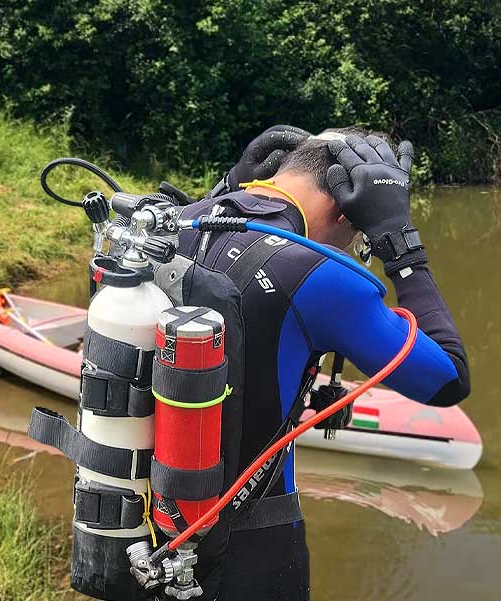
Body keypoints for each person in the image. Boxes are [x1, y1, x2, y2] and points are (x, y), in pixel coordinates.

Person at [174, 126, 470, 600]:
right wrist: (401, 246)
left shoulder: (175, 225)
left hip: (145, 529)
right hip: (248, 548)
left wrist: (222, 190)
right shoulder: (318, 274)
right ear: (344, 209)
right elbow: (447, 379)